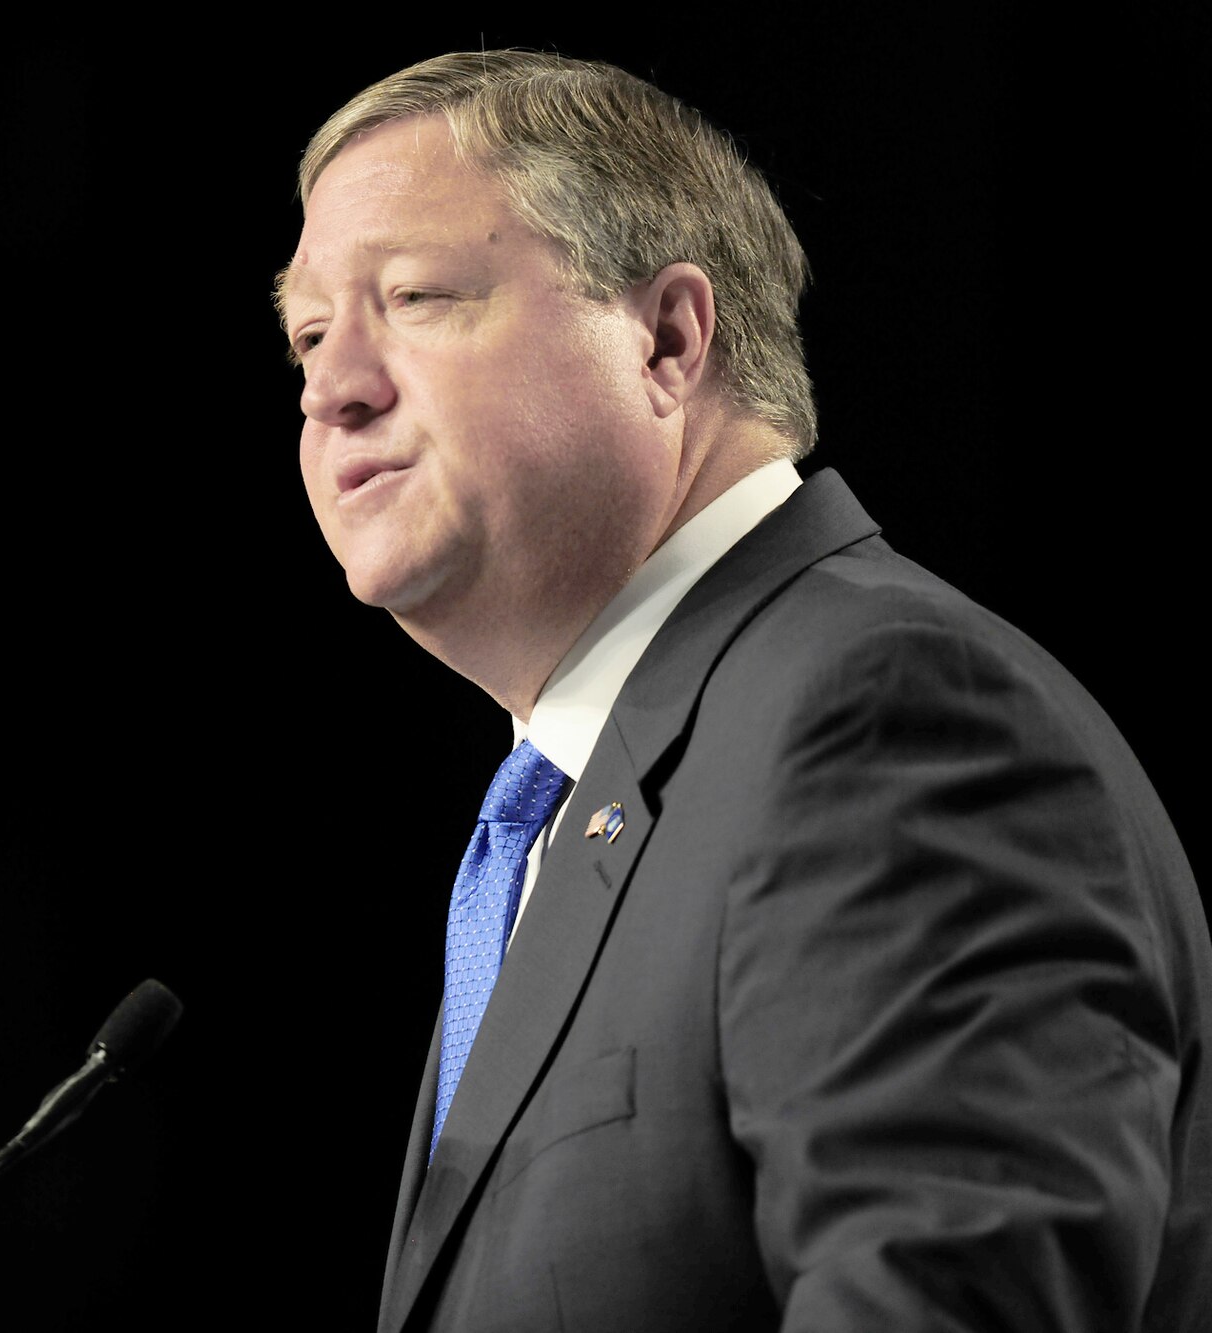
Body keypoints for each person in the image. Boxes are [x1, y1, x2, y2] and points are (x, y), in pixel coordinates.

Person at [276, 49, 1211, 1331]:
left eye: (415, 296)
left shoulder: (883, 715)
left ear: (665, 340)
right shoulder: (565, 814)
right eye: (308, 336)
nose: (332, 389)